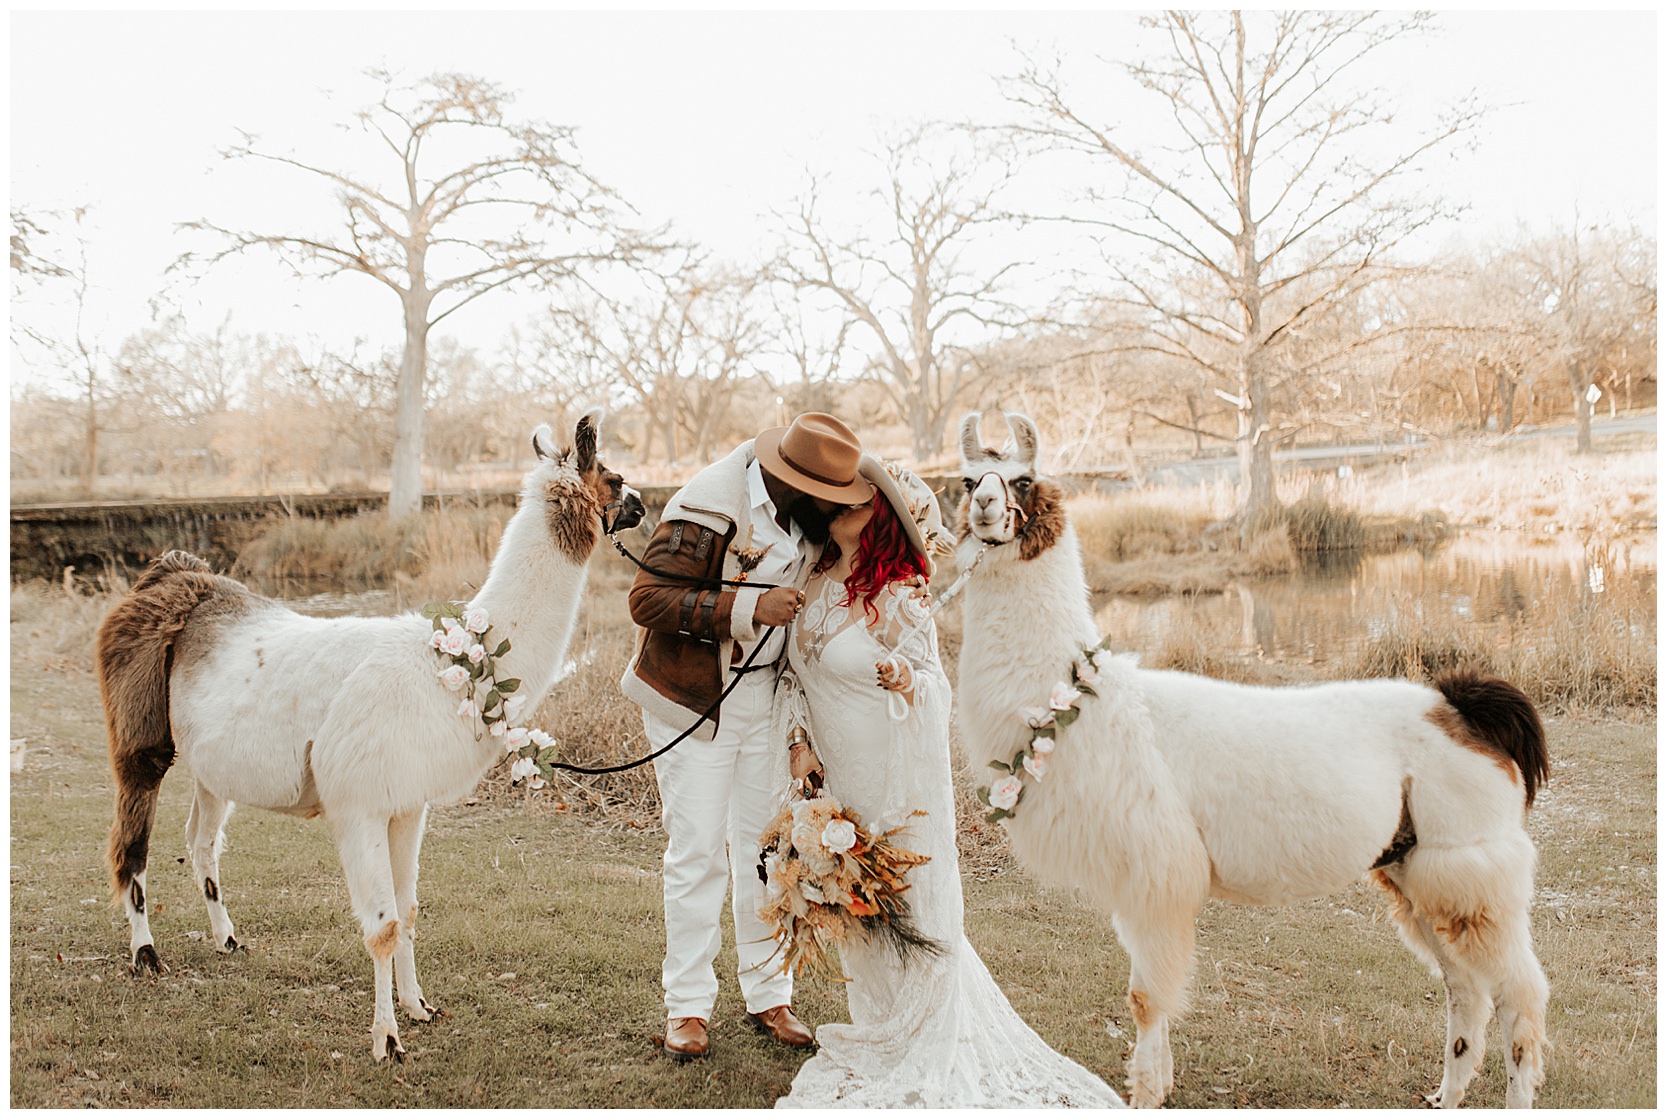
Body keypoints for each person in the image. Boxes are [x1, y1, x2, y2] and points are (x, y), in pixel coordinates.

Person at [770, 456, 1126, 1108]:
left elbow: (935, 685)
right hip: (836, 778)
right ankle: (878, 1020)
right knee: (854, 905)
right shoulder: (807, 573)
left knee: (903, 903)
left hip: (893, 774)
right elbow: (790, 674)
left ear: (879, 515)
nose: (834, 512)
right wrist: (797, 745)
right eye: (830, 502)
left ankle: (918, 1031)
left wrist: (908, 683)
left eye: (850, 504)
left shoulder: (900, 592)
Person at [621, 412, 876, 1062]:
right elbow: (647, 598)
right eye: (829, 497)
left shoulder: (805, 519)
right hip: (693, 699)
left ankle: (769, 994)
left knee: (764, 850)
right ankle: (687, 1006)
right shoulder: (708, 502)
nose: (835, 508)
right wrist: (745, 608)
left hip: (765, 697)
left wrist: (796, 729)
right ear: (793, 480)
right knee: (698, 850)